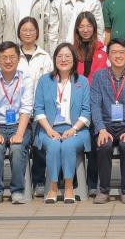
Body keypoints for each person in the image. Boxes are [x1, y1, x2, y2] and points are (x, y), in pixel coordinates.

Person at [33, 43, 92, 203]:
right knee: (53, 146)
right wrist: (49, 130)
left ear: (74, 59)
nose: (63, 59)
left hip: (76, 130)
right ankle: (52, 188)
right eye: (59, 56)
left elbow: (86, 111)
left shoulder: (82, 82)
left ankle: (68, 187)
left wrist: (73, 129)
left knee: (67, 145)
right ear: (54, 59)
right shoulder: (45, 81)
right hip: (48, 129)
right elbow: (38, 109)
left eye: (67, 56)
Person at [90, 38, 125, 204]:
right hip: (105, 124)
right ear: (108, 55)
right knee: (104, 146)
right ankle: (103, 190)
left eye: (122, 52)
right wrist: (101, 129)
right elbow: (95, 105)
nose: (118, 56)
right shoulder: (99, 76)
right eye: (114, 52)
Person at [0, 42, 35, 204]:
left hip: (20, 125)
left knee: (17, 148)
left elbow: (26, 108)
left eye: (12, 57)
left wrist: (19, 134)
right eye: (4, 57)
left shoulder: (26, 79)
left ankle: (17, 191)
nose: (8, 61)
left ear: (19, 59)